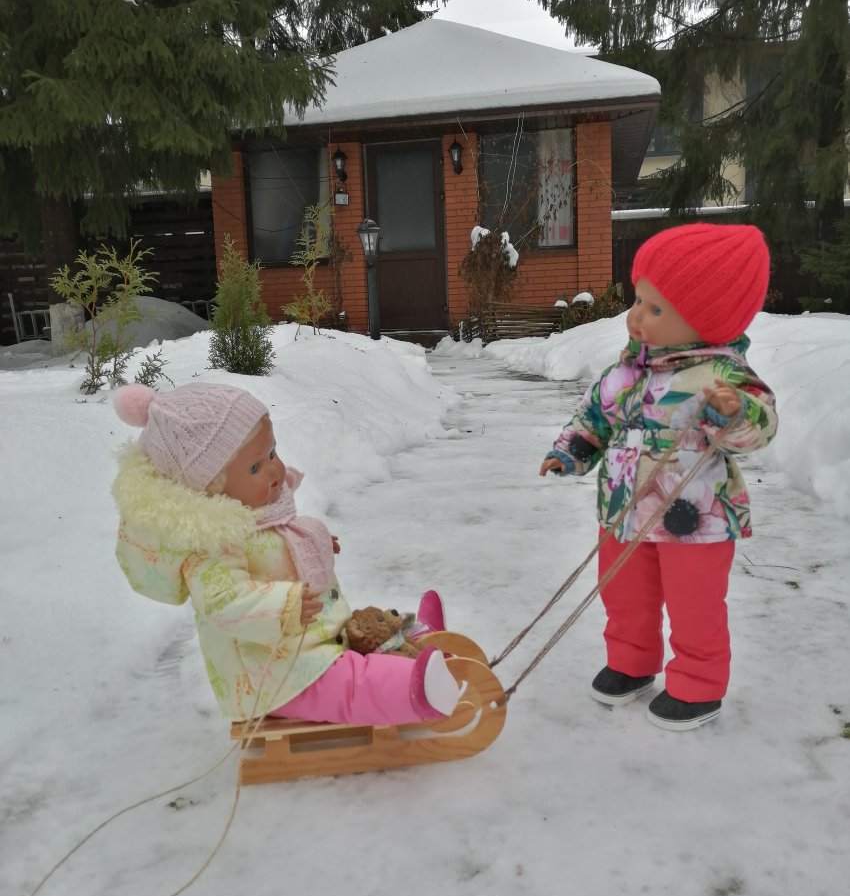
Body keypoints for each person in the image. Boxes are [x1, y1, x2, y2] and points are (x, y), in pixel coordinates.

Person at [539, 224, 778, 731]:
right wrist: (570, 452)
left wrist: (732, 413)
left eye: (656, 308)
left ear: (705, 320)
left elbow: (759, 424)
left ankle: (697, 686)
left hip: (695, 520)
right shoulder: (624, 374)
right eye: (638, 300)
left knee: (695, 606)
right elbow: (593, 418)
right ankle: (632, 663)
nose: (635, 317)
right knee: (624, 594)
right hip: (622, 513)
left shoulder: (723, 375)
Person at [111, 382, 460, 726]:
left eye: (272, 452)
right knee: (351, 684)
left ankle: (422, 642)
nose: (275, 469)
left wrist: (314, 544)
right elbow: (222, 601)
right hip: (271, 677)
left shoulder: (257, 511)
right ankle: (415, 691)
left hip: (308, 647)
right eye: (255, 467)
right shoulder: (211, 542)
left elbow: (274, 549)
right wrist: (284, 605)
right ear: (208, 487)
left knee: (361, 642)